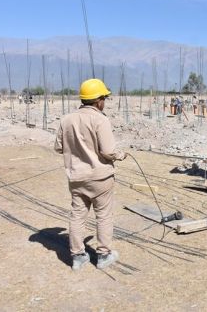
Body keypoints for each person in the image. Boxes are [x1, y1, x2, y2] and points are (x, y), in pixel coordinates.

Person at [54, 78, 126, 271]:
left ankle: (77, 256)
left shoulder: (66, 120)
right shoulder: (100, 119)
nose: (105, 102)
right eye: (104, 99)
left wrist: (77, 150)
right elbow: (108, 151)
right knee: (103, 215)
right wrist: (121, 155)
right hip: (100, 178)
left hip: (76, 178)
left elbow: (59, 147)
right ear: (98, 100)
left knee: (77, 216)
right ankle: (103, 255)